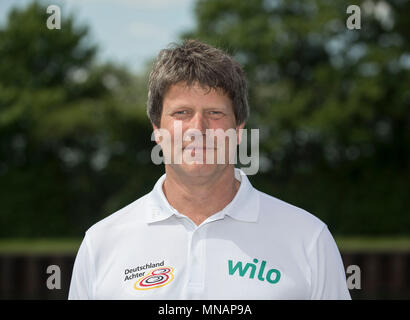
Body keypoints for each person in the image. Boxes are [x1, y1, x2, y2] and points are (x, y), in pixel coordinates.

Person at [68, 39, 351, 300]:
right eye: (181, 113)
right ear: (157, 130)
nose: (198, 129)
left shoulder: (309, 239)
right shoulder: (101, 243)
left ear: (238, 129)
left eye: (214, 113)